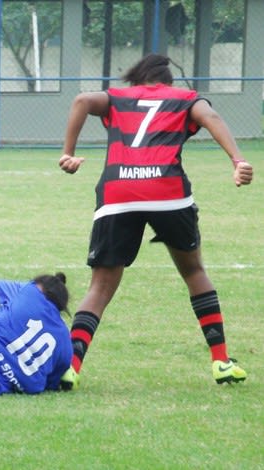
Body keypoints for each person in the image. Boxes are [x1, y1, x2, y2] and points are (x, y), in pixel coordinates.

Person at [57, 54, 253, 390]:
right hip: (168, 191)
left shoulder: (119, 97)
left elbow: (81, 100)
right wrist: (237, 159)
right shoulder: (184, 99)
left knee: (100, 287)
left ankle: (71, 367)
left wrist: (68, 152)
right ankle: (221, 361)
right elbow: (211, 115)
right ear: (167, 82)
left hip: (118, 191)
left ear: (138, 79)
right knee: (193, 271)